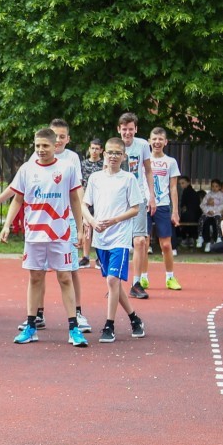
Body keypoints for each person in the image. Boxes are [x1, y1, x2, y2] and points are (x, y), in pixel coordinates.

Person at [4, 128, 93, 346]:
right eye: (37, 146)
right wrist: (7, 225)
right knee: (35, 277)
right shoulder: (26, 169)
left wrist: (79, 228)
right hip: (34, 234)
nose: (41, 149)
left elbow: (75, 199)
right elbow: (17, 199)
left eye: (45, 145)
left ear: (55, 146)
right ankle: (31, 326)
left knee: (65, 277)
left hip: (60, 232)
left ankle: (73, 329)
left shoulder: (67, 168)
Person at [84, 137, 147, 342]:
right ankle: (134, 318)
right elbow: (84, 205)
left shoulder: (128, 179)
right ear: (104, 154)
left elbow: (135, 208)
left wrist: (115, 220)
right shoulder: (95, 178)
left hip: (120, 237)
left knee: (112, 280)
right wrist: (91, 222)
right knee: (115, 284)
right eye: (110, 152)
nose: (113, 156)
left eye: (117, 153)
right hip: (101, 238)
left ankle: (109, 325)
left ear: (124, 156)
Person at [117, 113, 155, 301]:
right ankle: (114, 281)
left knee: (140, 241)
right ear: (119, 129)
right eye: (124, 129)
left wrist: (152, 196)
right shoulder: (114, 145)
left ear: (136, 129)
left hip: (138, 196)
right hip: (118, 198)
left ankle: (136, 283)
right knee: (118, 241)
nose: (127, 132)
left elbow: (148, 170)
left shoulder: (142, 145)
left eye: (130, 129)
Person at [141, 127, 181, 291]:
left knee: (165, 244)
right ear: (149, 141)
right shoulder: (144, 161)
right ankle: (143, 277)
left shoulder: (170, 162)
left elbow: (173, 188)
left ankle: (170, 277)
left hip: (163, 205)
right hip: (144, 205)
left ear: (165, 142)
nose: (157, 142)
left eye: (160, 139)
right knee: (144, 243)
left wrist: (175, 211)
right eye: (154, 139)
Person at [78, 138, 104, 267]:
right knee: (87, 227)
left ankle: (99, 258)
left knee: (99, 228)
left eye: (97, 149)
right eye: (92, 148)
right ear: (89, 149)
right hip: (86, 199)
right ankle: (86, 257)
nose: (94, 151)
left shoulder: (104, 164)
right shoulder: (83, 164)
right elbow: (80, 183)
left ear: (101, 150)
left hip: (100, 199)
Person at [199, 179, 223, 250]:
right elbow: (202, 205)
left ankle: (218, 237)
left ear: (219, 187)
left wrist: (214, 211)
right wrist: (207, 210)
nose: (214, 188)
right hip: (207, 213)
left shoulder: (221, 195)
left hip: (216, 213)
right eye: (213, 186)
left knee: (218, 223)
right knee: (201, 221)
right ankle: (201, 237)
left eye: (216, 186)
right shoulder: (208, 194)